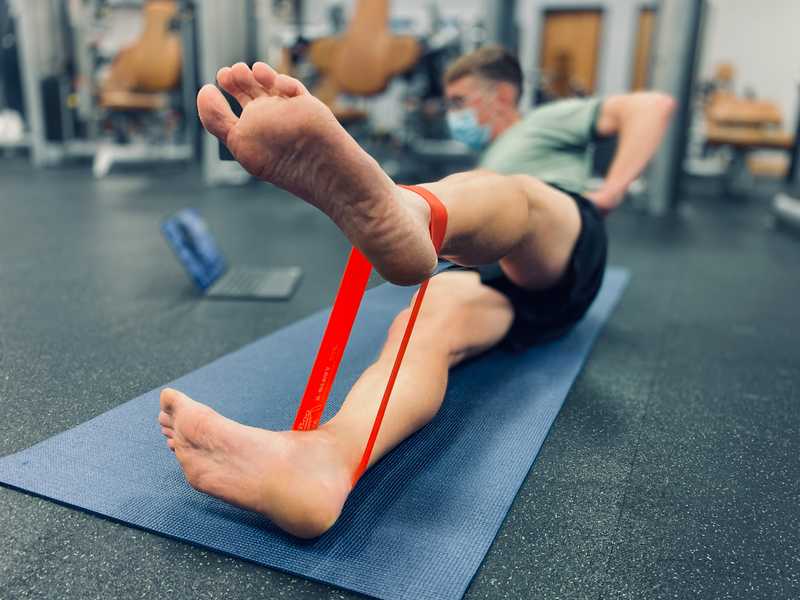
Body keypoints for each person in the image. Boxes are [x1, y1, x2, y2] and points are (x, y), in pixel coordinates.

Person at [158, 48, 674, 539]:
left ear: (502, 96)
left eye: (459, 102)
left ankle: (419, 214)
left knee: (517, 195)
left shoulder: (546, 122)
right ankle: (322, 463)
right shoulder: (483, 158)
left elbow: (652, 105)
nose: (452, 114)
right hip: (504, 287)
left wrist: (610, 190)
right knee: (422, 326)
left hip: (561, 238)